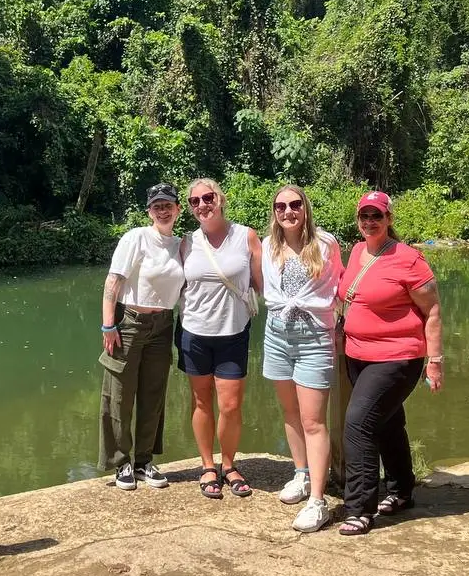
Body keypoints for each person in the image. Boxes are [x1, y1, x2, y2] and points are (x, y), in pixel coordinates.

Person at [335, 190, 443, 535]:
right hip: (358, 355)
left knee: (358, 424)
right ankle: (400, 490)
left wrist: (435, 360)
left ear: (389, 219)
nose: (370, 222)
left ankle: (359, 509)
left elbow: (433, 310)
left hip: (398, 357)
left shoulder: (409, 259)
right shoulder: (356, 251)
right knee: (387, 423)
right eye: (364, 216)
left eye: (377, 216)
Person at [260, 185, 344, 532]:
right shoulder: (268, 245)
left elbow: (340, 286)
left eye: (295, 204)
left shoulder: (326, 244)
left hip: (314, 337)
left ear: (305, 208)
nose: (288, 211)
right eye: (280, 206)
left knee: (314, 421)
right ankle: (302, 474)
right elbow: (263, 287)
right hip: (277, 333)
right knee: (291, 413)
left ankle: (318, 502)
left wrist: (341, 324)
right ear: (274, 212)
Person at [177, 178, 263, 499]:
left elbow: (263, 284)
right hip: (194, 332)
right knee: (201, 401)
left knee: (230, 405)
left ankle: (229, 464)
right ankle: (207, 465)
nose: (202, 205)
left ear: (220, 198)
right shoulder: (187, 242)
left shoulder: (246, 236)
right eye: (195, 201)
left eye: (208, 197)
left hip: (233, 333)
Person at [99, 183, 185, 491]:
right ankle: (121, 462)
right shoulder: (136, 237)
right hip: (130, 323)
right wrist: (108, 325)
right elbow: (113, 281)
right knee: (119, 395)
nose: (163, 211)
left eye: (168, 205)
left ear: (178, 209)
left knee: (153, 395)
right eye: (156, 206)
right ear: (149, 211)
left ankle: (144, 461)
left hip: (163, 325)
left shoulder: (182, 245)